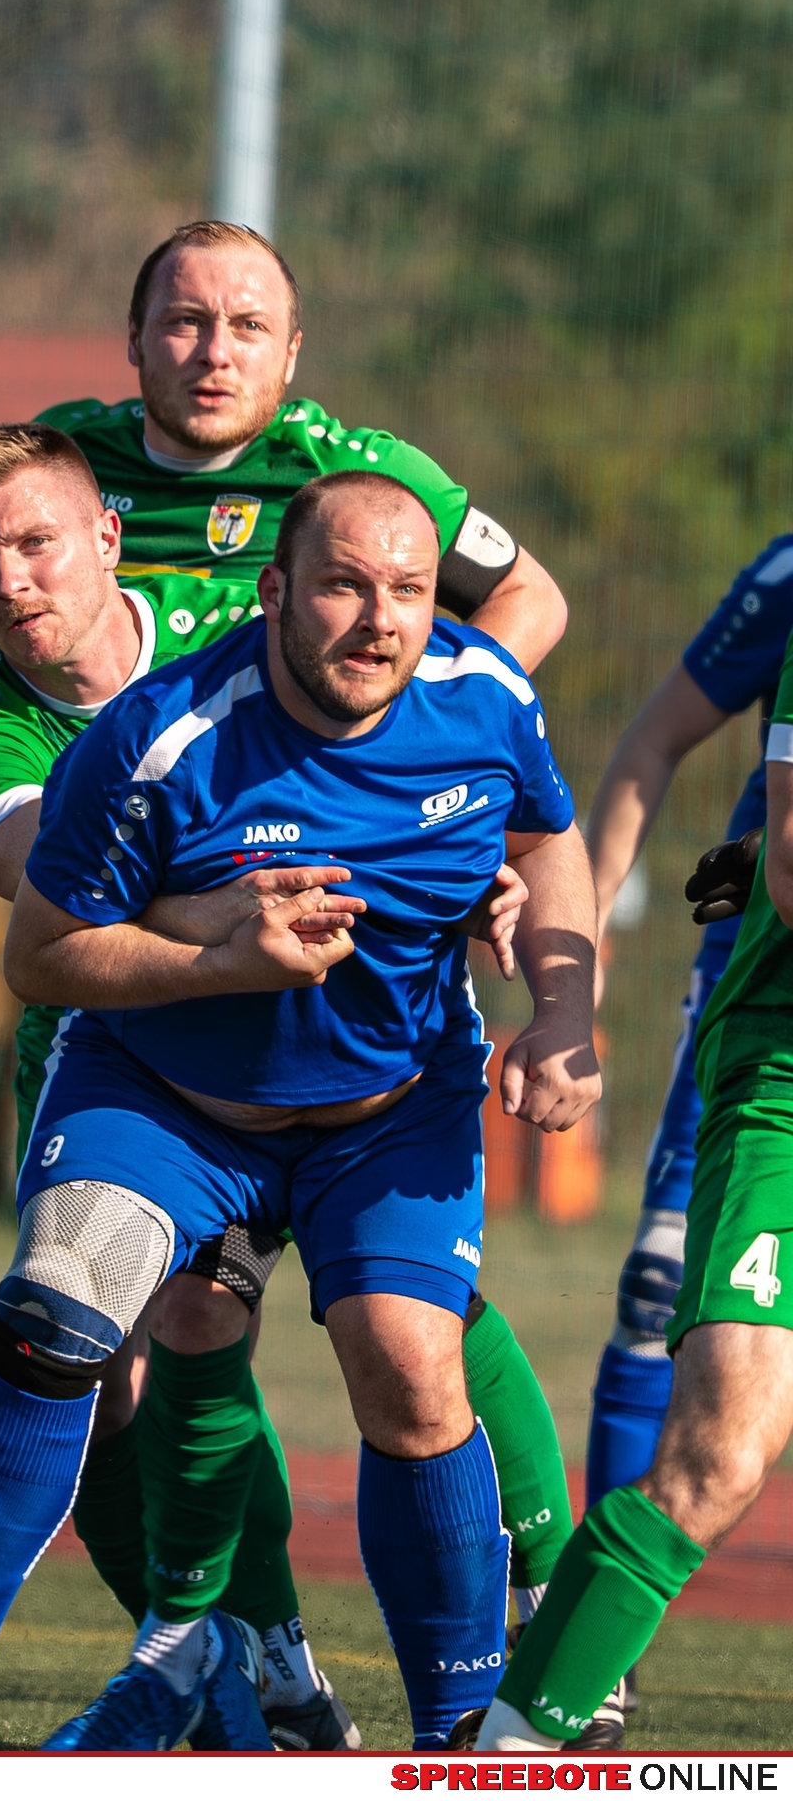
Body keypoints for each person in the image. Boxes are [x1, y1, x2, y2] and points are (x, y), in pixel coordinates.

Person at [0, 220, 582, 1730]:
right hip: (163, 1072)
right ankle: (85, 1655)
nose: (14, 582)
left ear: (112, 540)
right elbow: (47, 937)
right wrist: (226, 939)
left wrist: (514, 940)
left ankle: (480, 1698)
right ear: (274, 592)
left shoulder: (421, 621)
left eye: (40, 548)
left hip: (378, 1084)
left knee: (413, 1345)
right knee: (84, 1311)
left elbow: (537, 787)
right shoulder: (86, 729)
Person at [476, 583, 793, 1751]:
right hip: (784, 1078)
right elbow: (786, 861)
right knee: (717, 1451)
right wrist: (592, 933)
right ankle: (524, 1740)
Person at [581, 537, 793, 1678]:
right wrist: (582, 930)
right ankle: (589, 1660)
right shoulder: (787, 579)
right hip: (761, 1006)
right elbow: (652, 742)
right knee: (660, 1285)